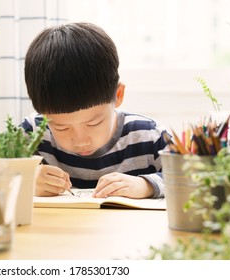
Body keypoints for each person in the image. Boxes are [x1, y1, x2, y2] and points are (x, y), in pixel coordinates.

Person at [21, 22, 168, 199]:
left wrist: (147, 185)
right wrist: (26, 180)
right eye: (61, 128)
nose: (80, 141)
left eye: (94, 123)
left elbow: (192, 178)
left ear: (118, 95)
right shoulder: (32, 135)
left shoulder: (149, 136)